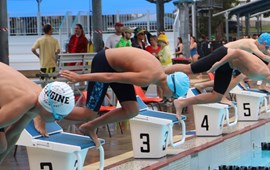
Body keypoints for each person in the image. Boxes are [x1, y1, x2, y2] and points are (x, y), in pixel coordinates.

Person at [60, 47, 190, 147]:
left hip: (117, 68)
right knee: (87, 114)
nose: (172, 98)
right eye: (174, 96)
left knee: (132, 110)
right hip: (104, 63)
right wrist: (80, 77)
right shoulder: (146, 78)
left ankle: (89, 127)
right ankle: (46, 110)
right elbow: (109, 77)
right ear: (171, 88)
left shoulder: (160, 73)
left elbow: (183, 67)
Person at [172, 48, 270, 120]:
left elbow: (237, 76)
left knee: (216, 96)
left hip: (228, 66)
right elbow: (238, 53)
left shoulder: (265, 76)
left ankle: (181, 103)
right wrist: (218, 64)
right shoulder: (260, 71)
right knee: (190, 69)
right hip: (224, 55)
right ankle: (161, 73)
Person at [0, 62, 75, 164]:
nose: (58, 120)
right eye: (58, 116)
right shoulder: (22, 103)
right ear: (48, 109)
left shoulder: (39, 100)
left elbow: (14, 133)